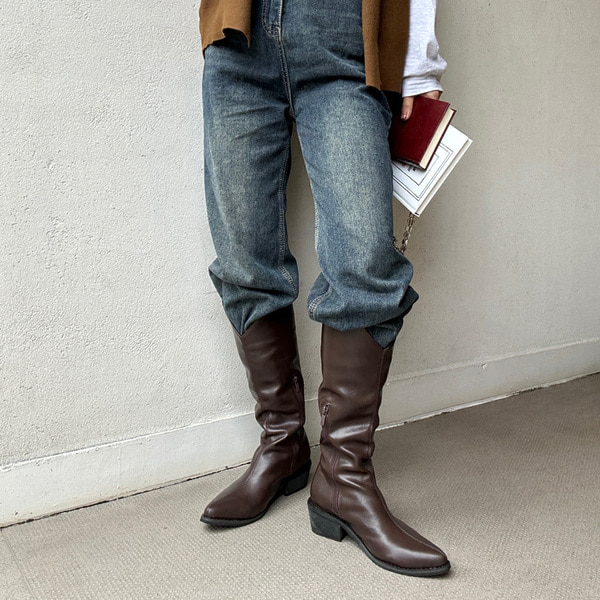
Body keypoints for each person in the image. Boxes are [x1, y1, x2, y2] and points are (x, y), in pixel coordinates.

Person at [198, 0, 450, 577]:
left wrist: (419, 67)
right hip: (238, 42)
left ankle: (344, 477)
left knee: (364, 265)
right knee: (244, 260)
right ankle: (282, 445)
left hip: (346, 38)